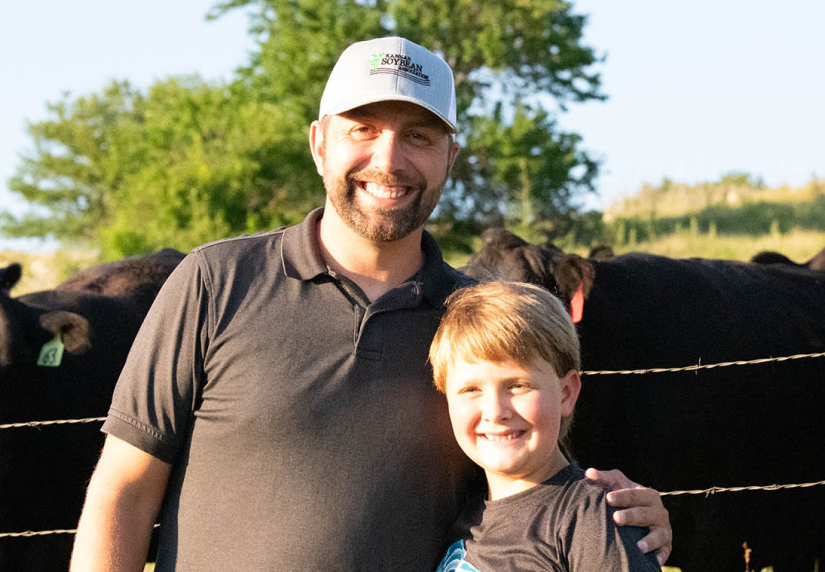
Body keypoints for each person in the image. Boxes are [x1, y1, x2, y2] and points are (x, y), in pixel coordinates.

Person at [69, 36, 671, 571]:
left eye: (418, 136)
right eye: (363, 128)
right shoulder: (216, 282)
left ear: (449, 160)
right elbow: (122, 489)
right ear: (319, 143)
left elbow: (535, 486)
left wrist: (616, 522)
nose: (388, 159)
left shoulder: (482, 326)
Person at [429, 281, 662, 572]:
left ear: (566, 394)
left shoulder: (591, 520)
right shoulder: (466, 517)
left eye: (517, 385)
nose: (495, 411)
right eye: (471, 390)